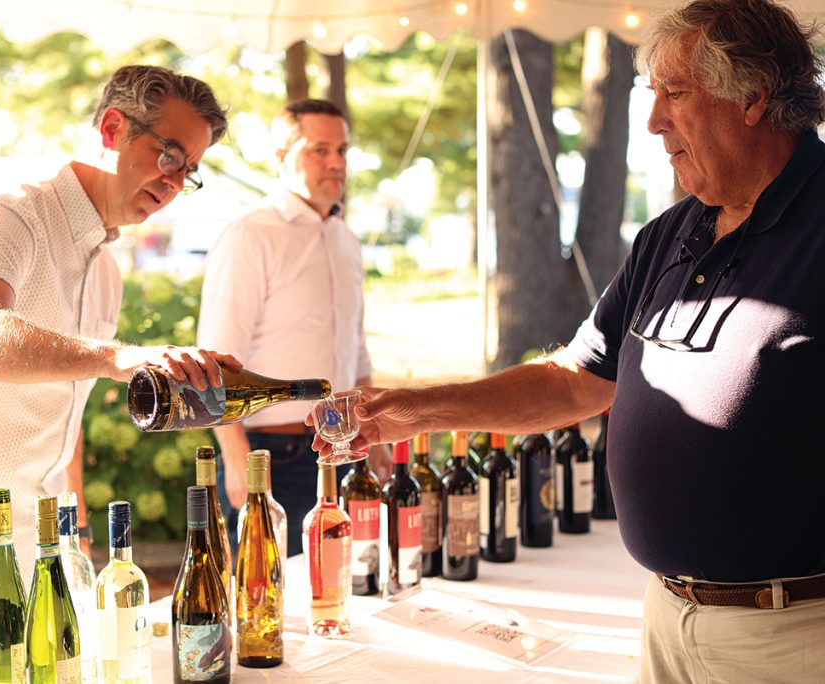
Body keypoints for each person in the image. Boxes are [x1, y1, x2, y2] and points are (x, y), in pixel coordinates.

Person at [313, 1, 825, 681]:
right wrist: (419, 408)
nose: (653, 121)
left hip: (792, 633)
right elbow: (575, 379)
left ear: (755, 97)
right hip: (667, 617)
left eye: (676, 93)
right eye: (652, 95)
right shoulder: (672, 234)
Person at [0, 65, 240, 599]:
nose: (175, 181)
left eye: (191, 169)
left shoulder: (107, 272)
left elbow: (67, 414)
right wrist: (120, 358)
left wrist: (76, 533)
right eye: (170, 155)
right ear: (112, 129)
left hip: (25, 551)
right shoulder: (5, 209)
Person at [197, 99, 383, 557]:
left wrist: (373, 429)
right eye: (320, 150)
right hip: (270, 455)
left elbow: (354, 348)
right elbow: (215, 360)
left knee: (343, 587)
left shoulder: (346, 239)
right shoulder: (251, 235)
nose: (336, 162)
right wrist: (236, 455)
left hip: (341, 446)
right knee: (268, 603)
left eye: (342, 150)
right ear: (282, 155)